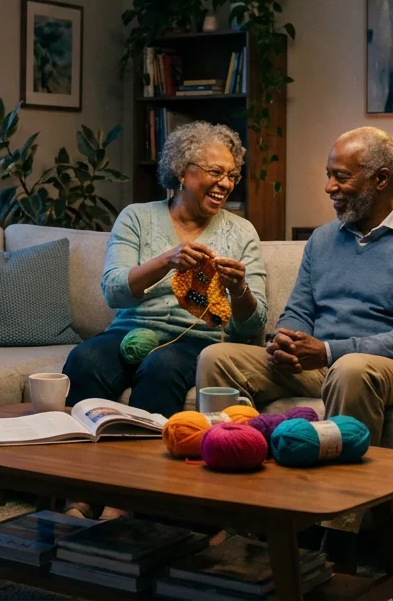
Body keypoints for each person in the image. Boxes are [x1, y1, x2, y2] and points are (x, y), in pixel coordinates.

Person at [196, 126, 393, 562]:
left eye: (341, 176)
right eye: (328, 174)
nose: (328, 187)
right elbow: (299, 309)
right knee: (218, 358)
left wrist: (330, 350)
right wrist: (286, 339)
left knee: (351, 367)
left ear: (381, 179)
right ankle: (239, 514)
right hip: (322, 363)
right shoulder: (322, 238)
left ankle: (339, 536)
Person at [61, 121, 267, 519]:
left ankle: (130, 501)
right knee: (84, 360)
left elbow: (251, 326)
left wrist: (239, 290)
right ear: (181, 171)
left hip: (197, 340)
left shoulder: (242, 233)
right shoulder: (137, 217)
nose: (225, 183)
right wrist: (166, 260)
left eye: (232, 175)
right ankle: (79, 494)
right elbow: (114, 290)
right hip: (129, 331)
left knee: (161, 366)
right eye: (215, 172)